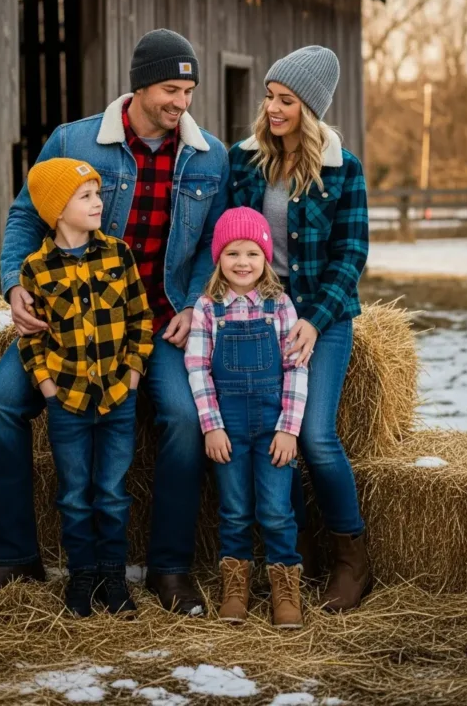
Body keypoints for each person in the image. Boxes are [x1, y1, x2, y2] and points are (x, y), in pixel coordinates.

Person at [0, 29, 229, 613]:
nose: (181, 103)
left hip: (156, 322)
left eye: (189, 90)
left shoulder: (210, 156)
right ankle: (12, 556)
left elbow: (211, 243)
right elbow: (25, 217)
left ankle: (170, 568)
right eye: (169, 89)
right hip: (67, 322)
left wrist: (193, 306)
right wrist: (14, 288)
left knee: (184, 416)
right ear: (138, 86)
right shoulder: (74, 140)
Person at [228, 46, 371, 613]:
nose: (271, 108)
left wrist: (313, 320)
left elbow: (351, 253)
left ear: (310, 107)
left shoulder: (343, 169)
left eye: (285, 100)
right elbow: (232, 237)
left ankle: (352, 560)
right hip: (259, 318)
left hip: (323, 317)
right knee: (268, 436)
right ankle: (299, 551)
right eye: (268, 96)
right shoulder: (247, 162)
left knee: (313, 436)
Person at [17, 158, 153, 618]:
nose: (100, 202)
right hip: (67, 402)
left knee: (112, 492)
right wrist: (47, 387)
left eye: (97, 193)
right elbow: (31, 338)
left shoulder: (118, 254)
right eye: (87, 196)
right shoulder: (35, 269)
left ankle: (114, 577)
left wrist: (133, 375)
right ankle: (82, 576)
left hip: (118, 397)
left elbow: (140, 319)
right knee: (74, 495)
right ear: (57, 210)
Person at [185, 207, 308, 627]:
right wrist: (212, 426)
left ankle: (284, 585)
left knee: (276, 509)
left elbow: (295, 369)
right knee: (235, 509)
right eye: (232, 252)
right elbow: (198, 368)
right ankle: (234, 583)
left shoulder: (280, 305)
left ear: (266, 257)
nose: (242, 262)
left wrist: (290, 430)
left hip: (275, 426)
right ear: (218, 257)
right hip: (229, 427)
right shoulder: (207, 308)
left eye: (252, 253)